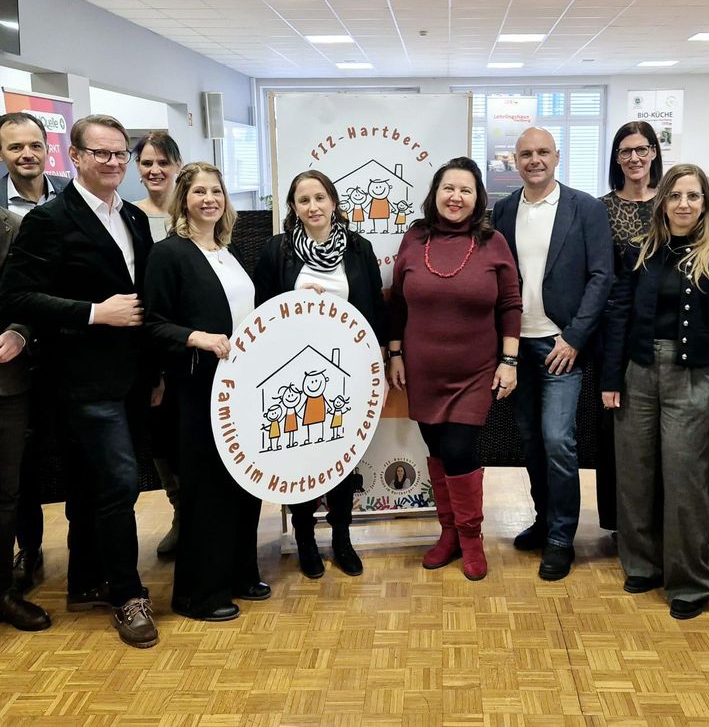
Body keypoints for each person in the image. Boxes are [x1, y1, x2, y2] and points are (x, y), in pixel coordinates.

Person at [0, 114, 157, 648]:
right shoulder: (50, 219)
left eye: (119, 154)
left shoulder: (132, 216)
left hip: (131, 375)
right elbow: (16, 296)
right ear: (76, 157)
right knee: (119, 483)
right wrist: (93, 313)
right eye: (101, 153)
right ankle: (128, 597)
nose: (113, 162)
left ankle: (87, 580)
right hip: (82, 380)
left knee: (96, 486)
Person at [601, 163, 709, 620]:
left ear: (705, 203)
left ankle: (690, 581)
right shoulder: (640, 249)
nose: (684, 204)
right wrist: (610, 378)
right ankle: (643, 564)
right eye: (676, 196)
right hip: (639, 373)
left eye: (693, 196)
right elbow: (619, 315)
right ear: (662, 201)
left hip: (693, 377)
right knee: (635, 474)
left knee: (686, 480)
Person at [145, 162, 268, 621]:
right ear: (184, 200)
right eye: (199, 192)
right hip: (199, 388)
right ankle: (198, 593)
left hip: (241, 386)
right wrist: (194, 336)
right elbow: (152, 324)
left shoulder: (226, 250)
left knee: (245, 482)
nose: (209, 199)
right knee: (208, 488)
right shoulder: (169, 254)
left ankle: (240, 573)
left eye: (216, 191)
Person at [388, 157, 522, 581]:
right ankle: (448, 533)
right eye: (449, 188)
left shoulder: (493, 242)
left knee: (460, 449)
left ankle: (470, 537)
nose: (456, 197)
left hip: (475, 371)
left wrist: (510, 361)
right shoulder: (415, 238)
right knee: (437, 450)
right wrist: (395, 353)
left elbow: (510, 304)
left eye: (466, 190)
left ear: (477, 198)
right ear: (435, 194)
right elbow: (398, 301)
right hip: (423, 369)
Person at [254, 169, 388, 579]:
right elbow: (261, 311)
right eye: (303, 200)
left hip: (348, 370)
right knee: (299, 456)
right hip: (292, 369)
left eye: (319, 198)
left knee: (343, 456)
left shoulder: (359, 248)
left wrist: (381, 363)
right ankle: (305, 538)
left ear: (333, 202)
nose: (313, 207)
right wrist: (294, 299)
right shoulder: (277, 250)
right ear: (293, 207)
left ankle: (342, 538)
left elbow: (375, 310)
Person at [492, 127, 612, 581]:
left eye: (543, 152)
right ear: (515, 160)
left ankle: (562, 538)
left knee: (558, 440)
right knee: (529, 440)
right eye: (526, 153)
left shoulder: (586, 208)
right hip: (516, 345)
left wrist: (575, 337)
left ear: (557, 156)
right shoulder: (504, 210)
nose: (534, 160)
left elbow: (601, 277)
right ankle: (544, 521)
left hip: (561, 345)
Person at [0, 111, 69, 593]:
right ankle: (29, 549)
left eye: (34, 145)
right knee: (17, 463)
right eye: (14, 147)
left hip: (68, 347)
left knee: (71, 452)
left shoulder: (72, 196)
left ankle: (85, 559)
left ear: (48, 148)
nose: (26, 154)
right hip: (13, 356)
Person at [595, 121, 663, 533]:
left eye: (642, 149)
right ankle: (621, 521)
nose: (634, 158)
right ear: (616, 158)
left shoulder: (672, 202)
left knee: (664, 430)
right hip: (613, 333)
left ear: (654, 151)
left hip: (666, 330)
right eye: (626, 151)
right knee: (617, 426)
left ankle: (663, 519)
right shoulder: (600, 209)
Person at [132, 132, 183, 556]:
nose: (155, 170)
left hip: (194, 345)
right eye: (147, 162)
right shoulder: (129, 217)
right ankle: (180, 511)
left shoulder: (196, 213)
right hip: (149, 343)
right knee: (162, 436)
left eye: (163, 162)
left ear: (177, 167)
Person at [0, 204, 50, 632]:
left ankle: (3, 592)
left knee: (6, 494)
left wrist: (20, 332)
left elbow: (35, 295)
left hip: (7, 381)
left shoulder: (16, 227)